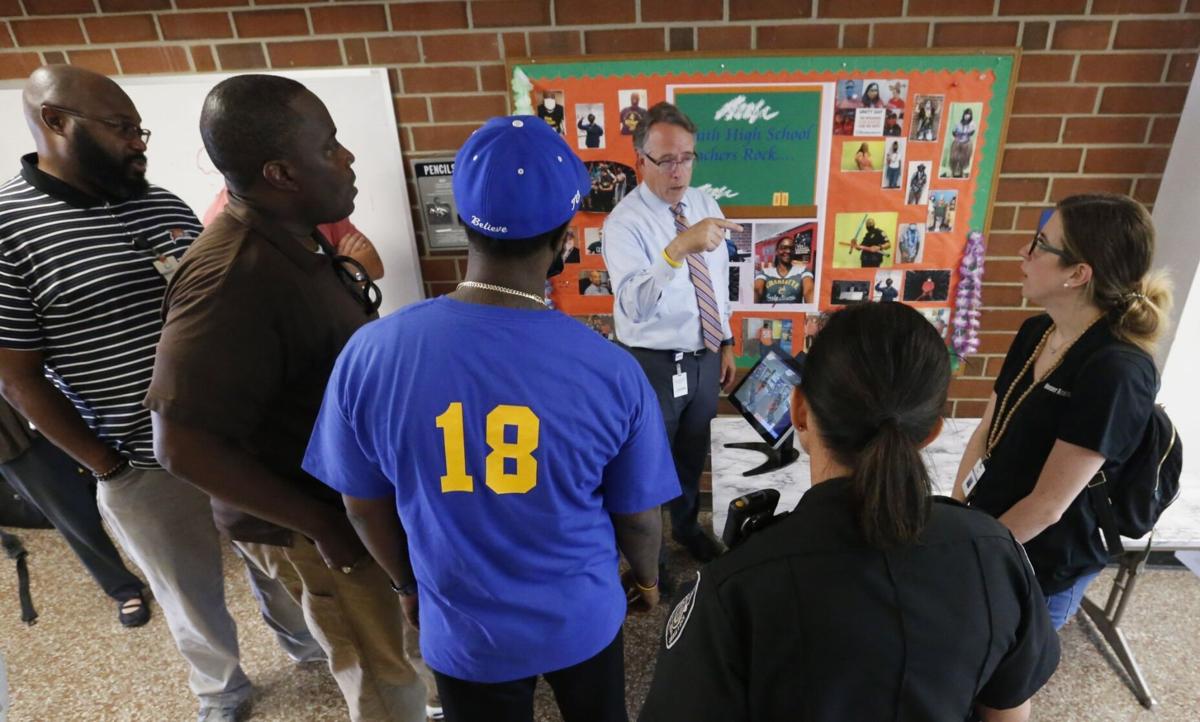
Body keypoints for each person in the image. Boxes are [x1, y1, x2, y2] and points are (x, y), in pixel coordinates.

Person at [302, 114, 678, 722]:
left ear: (464, 224)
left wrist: (405, 586)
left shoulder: (371, 353)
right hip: (581, 618)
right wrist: (647, 581)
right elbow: (638, 518)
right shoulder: (610, 369)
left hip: (463, 630)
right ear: (562, 240)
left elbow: (361, 505)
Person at [0, 65, 321, 722]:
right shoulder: (9, 231)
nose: (137, 142)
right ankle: (222, 691)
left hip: (234, 442)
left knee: (274, 554)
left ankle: (305, 647)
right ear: (54, 121)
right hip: (138, 461)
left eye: (137, 128)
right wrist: (106, 464)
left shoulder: (160, 203)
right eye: (121, 129)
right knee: (188, 591)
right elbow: (17, 374)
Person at [146, 74, 427, 722]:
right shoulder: (231, 276)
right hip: (318, 524)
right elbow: (180, 443)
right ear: (280, 172)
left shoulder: (298, 238)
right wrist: (323, 524)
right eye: (329, 147)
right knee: (380, 674)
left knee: (397, 647)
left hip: (351, 505)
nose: (348, 159)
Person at [641, 302, 1061, 722]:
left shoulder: (732, 589)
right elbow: (1006, 712)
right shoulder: (996, 554)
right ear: (932, 431)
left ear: (800, 412)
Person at [953, 194, 1173, 631]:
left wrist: (971, 554)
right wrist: (957, 520)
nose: (1024, 252)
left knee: (1001, 682)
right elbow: (987, 430)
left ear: (1078, 273)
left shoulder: (1117, 371)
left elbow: (1049, 505)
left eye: (1040, 244)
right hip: (992, 531)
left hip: (1044, 560)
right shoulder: (1038, 330)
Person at [603, 102, 742, 587]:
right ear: (641, 159)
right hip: (650, 364)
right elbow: (634, 307)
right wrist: (677, 249)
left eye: (687, 157)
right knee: (645, 466)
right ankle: (649, 561)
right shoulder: (624, 222)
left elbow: (718, 279)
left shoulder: (704, 203)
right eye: (666, 159)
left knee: (690, 454)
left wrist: (724, 340)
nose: (678, 170)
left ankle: (685, 530)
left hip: (702, 355)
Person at [0, 398, 147, 625]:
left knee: (130, 478)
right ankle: (122, 587)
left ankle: (174, 554)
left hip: (59, 392)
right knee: (68, 516)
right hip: (9, 432)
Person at [203, 186, 384, 280]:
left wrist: (344, 278)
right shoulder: (221, 224)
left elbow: (373, 264)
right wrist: (346, 276)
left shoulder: (316, 200)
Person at [754, 235, 813, 303]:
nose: (788, 251)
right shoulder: (765, 272)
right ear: (777, 251)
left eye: (791, 248)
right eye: (784, 248)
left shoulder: (803, 271)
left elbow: (809, 291)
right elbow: (757, 290)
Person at [948, 107, 977, 178]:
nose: (967, 116)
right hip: (957, 142)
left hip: (966, 143)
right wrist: (957, 135)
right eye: (966, 114)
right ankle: (953, 171)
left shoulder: (972, 124)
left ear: (970, 116)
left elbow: (972, 132)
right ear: (963, 115)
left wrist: (966, 134)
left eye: (968, 115)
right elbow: (953, 132)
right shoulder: (958, 123)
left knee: (963, 158)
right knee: (954, 157)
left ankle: (961, 171)